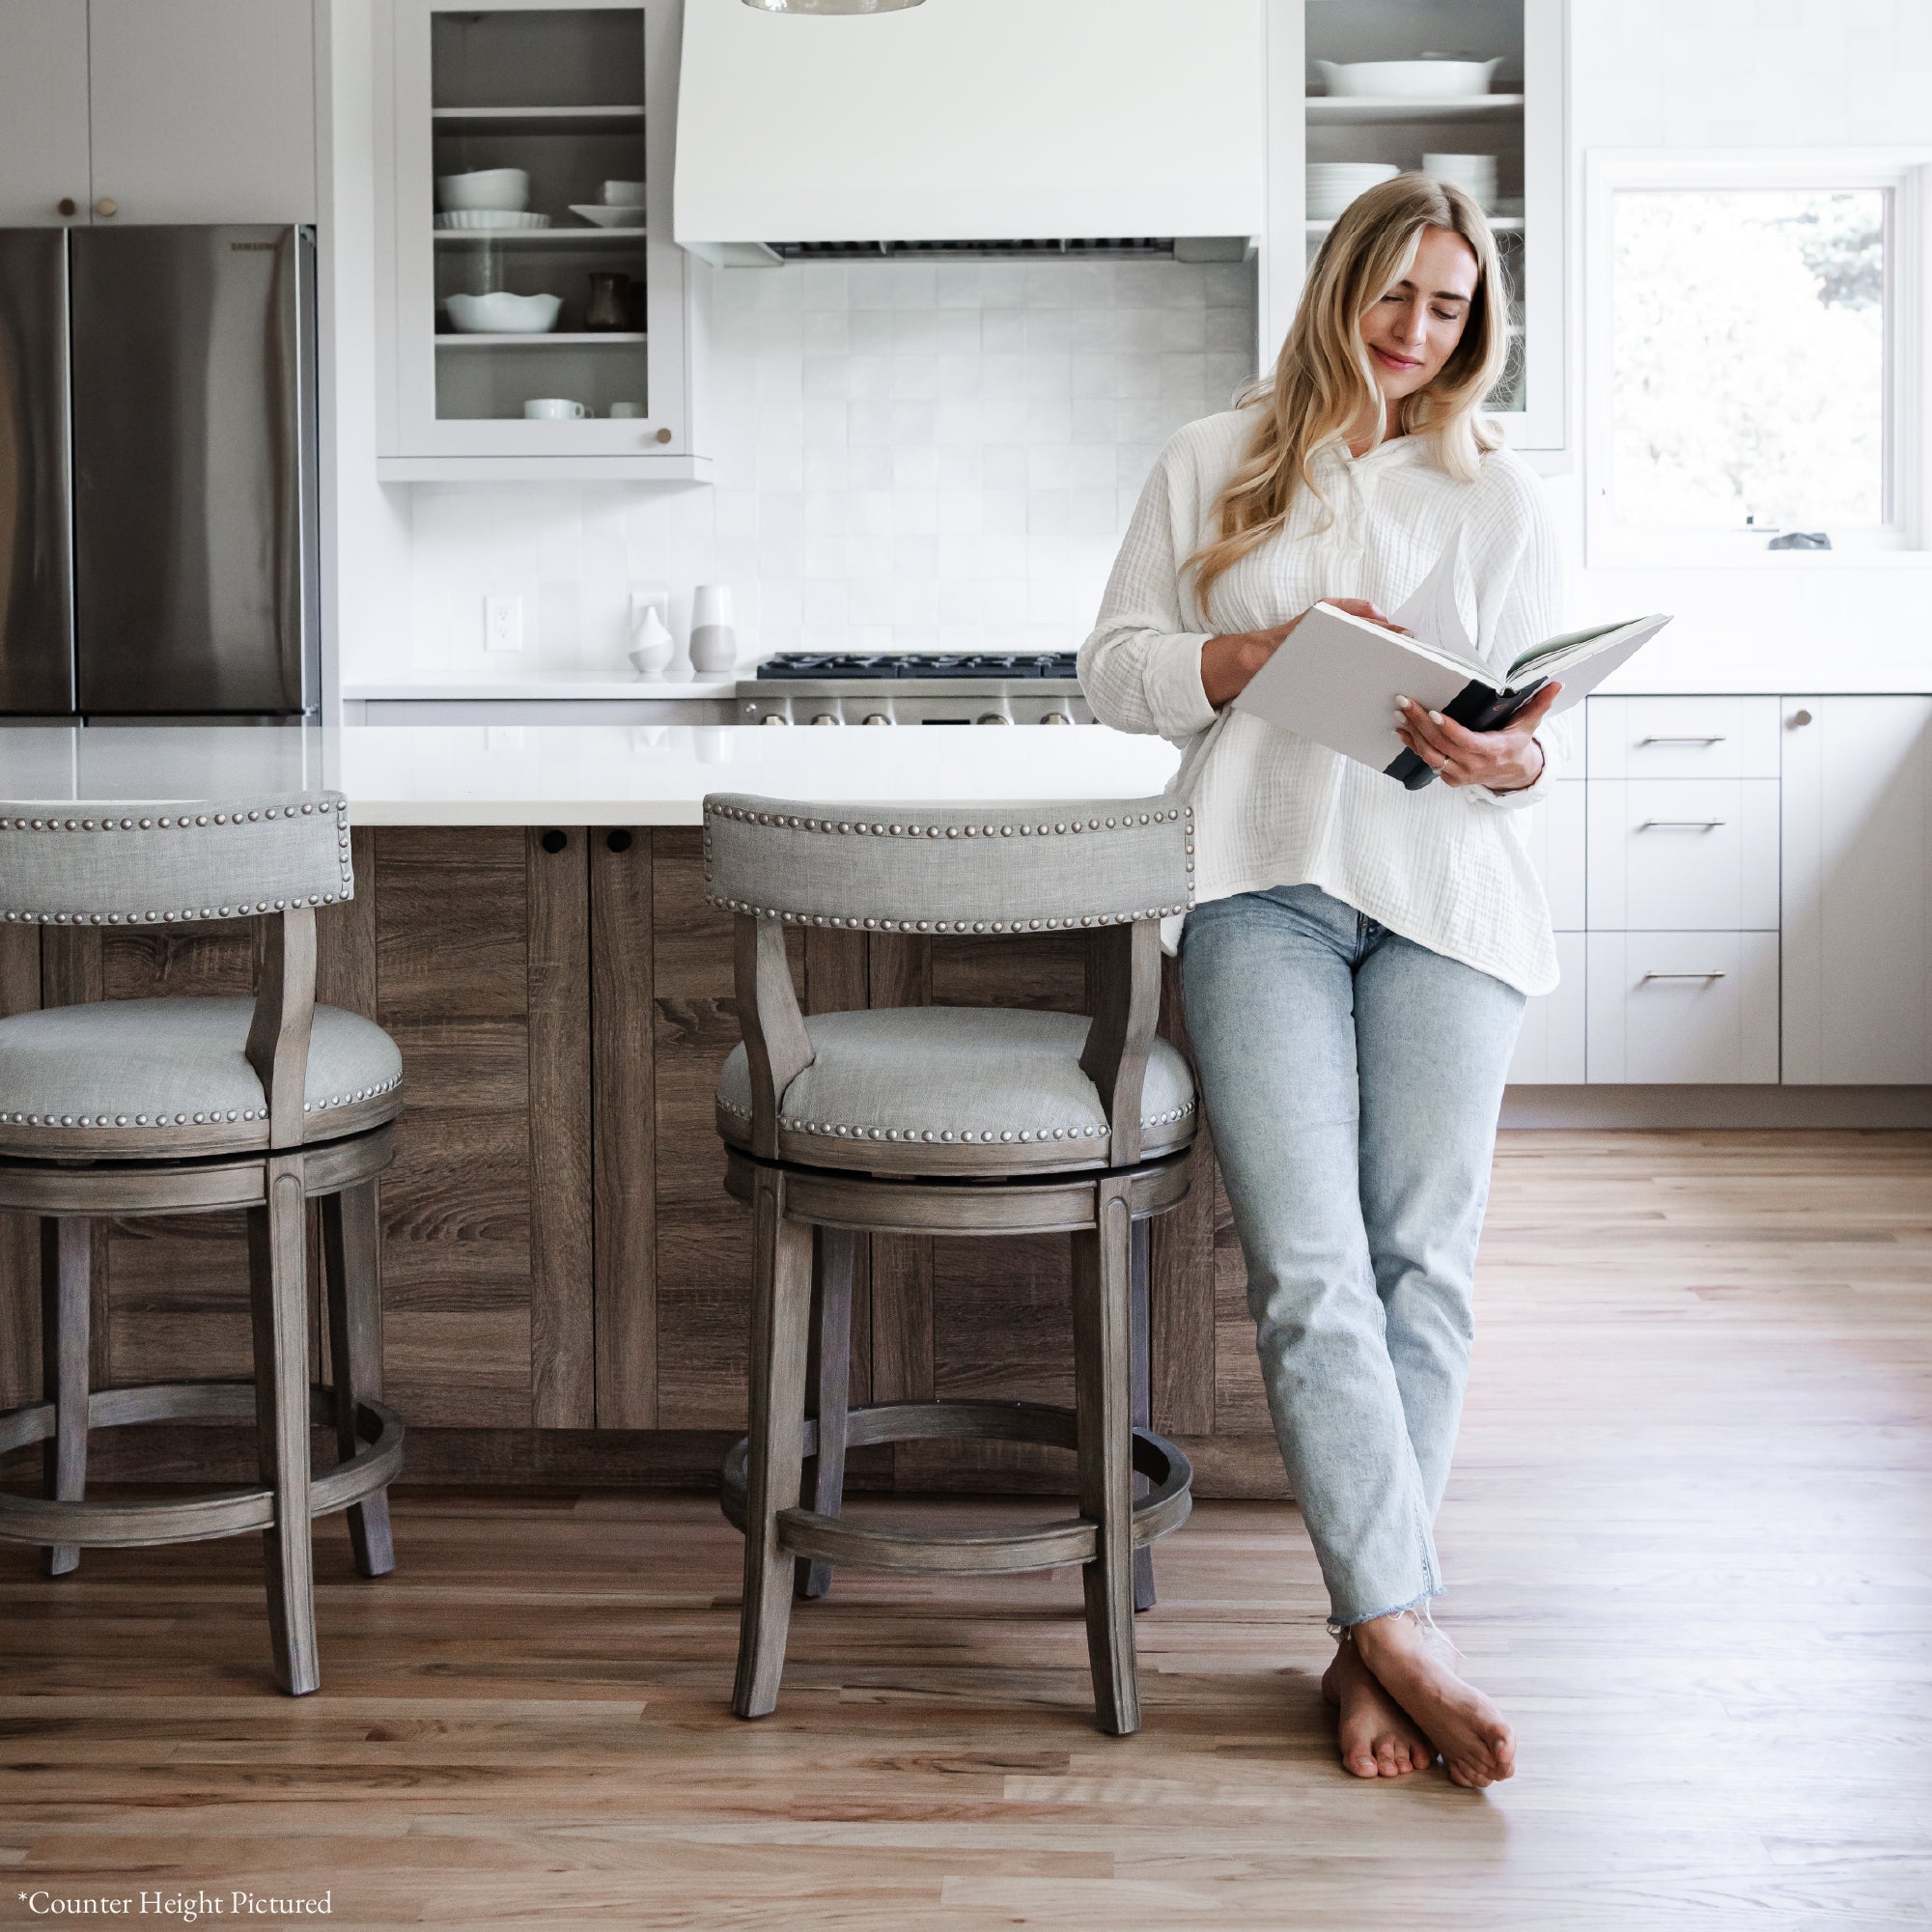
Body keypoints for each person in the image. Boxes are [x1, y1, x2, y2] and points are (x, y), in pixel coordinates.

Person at [1079, 173, 1566, 1789]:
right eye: (1392, 297)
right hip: (1257, 886)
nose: (1415, 336)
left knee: (1421, 1260)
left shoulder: (1497, 490)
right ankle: (1400, 1627)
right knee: (1309, 1267)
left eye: (1447, 310)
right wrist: (1251, 660)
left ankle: (1372, 1634)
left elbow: (1538, 734)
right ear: (1334, 285)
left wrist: (1503, 756)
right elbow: (1114, 670)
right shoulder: (1206, 458)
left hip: (1443, 893)